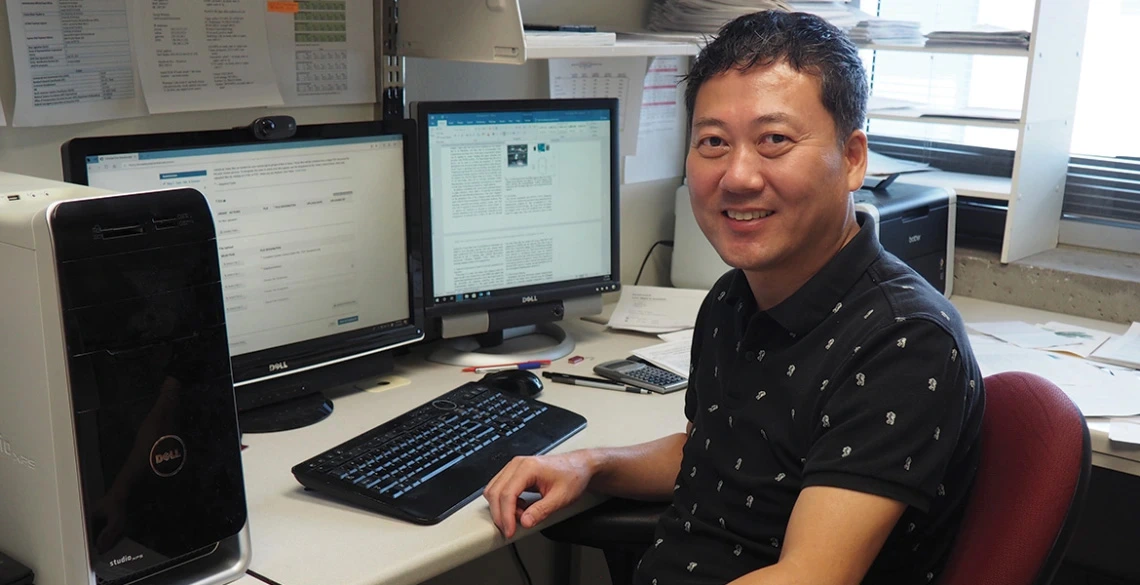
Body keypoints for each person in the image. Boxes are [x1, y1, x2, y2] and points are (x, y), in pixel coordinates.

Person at [484, 10, 985, 585]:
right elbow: (714, 457)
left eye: (774, 140)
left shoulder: (904, 341)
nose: (739, 175)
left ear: (852, 159)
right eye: (714, 142)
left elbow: (811, 577)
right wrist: (590, 463)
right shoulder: (733, 299)